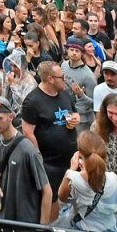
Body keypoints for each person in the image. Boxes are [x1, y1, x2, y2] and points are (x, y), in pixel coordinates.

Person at [0, 96, 52, 232]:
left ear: (10, 117)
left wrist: (41, 231)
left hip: (25, 224)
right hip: (3, 218)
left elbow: (47, 191)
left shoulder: (28, 149)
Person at [20, 61, 79, 220]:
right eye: (62, 77)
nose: (65, 79)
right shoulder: (32, 101)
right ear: (50, 79)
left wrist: (75, 119)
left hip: (69, 160)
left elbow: (74, 112)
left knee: (70, 198)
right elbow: (27, 132)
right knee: (51, 199)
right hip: (48, 163)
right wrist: (38, 158)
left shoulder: (64, 94)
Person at [58, 130, 117, 232]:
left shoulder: (72, 178)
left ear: (80, 156)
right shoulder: (114, 179)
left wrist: (71, 169)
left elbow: (62, 199)